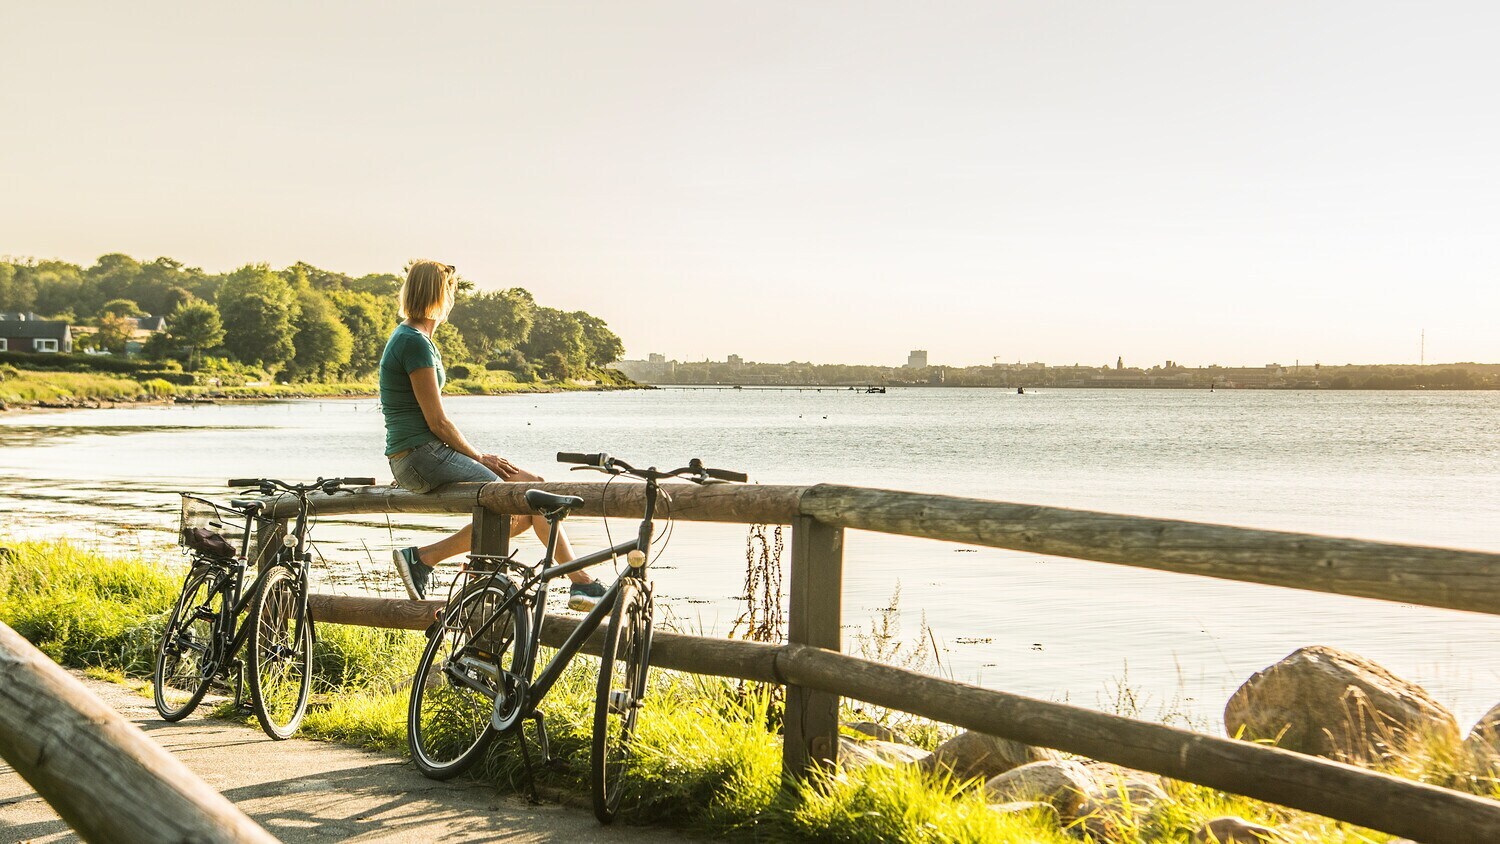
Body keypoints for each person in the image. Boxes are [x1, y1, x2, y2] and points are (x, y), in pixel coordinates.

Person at [380, 259, 606, 608]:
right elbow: (437, 421)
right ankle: (428, 559)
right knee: (511, 504)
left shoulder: (414, 338)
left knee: (534, 489)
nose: (453, 299)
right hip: (421, 455)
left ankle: (575, 581)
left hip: (418, 455)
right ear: (440, 295)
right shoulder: (414, 343)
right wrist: (479, 457)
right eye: (450, 291)